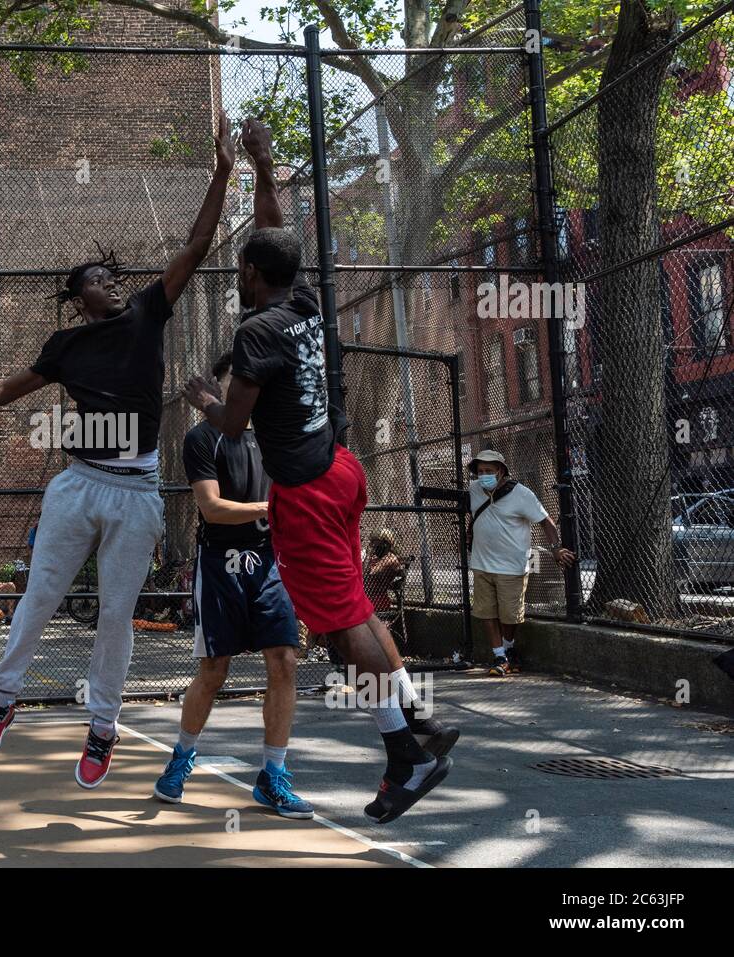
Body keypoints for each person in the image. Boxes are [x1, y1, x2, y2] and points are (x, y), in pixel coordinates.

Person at [0, 111, 237, 789]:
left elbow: (196, 242)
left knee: (115, 614)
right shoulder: (66, 347)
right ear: (79, 299)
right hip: (79, 484)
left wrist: (223, 169)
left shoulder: (146, 311)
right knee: (40, 593)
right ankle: (1, 696)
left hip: (135, 489)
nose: (110, 280)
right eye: (97, 278)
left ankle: (102, 727)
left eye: (112, 273)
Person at [182, 117, 458, 824]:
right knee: (357, 611)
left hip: (305, 490)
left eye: (242, 266)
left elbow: (236, 426)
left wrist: (206, 401)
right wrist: (264, 164)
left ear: (249, 275)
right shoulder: (304, 302)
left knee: (339, 627)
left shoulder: (256, 330)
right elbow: (275, 231)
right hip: (342, 468)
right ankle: (416, 720)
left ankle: (405, 754)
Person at [153, 351, 313, 818]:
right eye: (237, 383)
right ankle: (182, 758)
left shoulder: (273, 439)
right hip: (220, 564)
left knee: (284, 660)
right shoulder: (201, 440)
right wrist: (270, 510)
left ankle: (272, 776)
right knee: (214, 670)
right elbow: (212, 507)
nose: (247, 390)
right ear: (217, 391)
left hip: (268, 561)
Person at [467, 449, 575, 677]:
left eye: (489, 471)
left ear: (501, 471)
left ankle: (508, 649)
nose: (483, 475)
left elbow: (546, 522)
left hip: (511, 567)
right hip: (481, 564)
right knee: (487, 612)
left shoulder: (521, 494)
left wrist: (555, 549)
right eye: (480, 471)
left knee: (510, 615)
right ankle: (499, 656)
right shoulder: (474, 490)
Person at [364, 529, 403, 615]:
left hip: (378, 600)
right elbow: (362, 572)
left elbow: (370, 573)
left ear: (385, 544)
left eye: (376, 543)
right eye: (372, 543)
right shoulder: (375, 559)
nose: (373, 546)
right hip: (366, 598)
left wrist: (368, 555)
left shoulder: (390, 559)